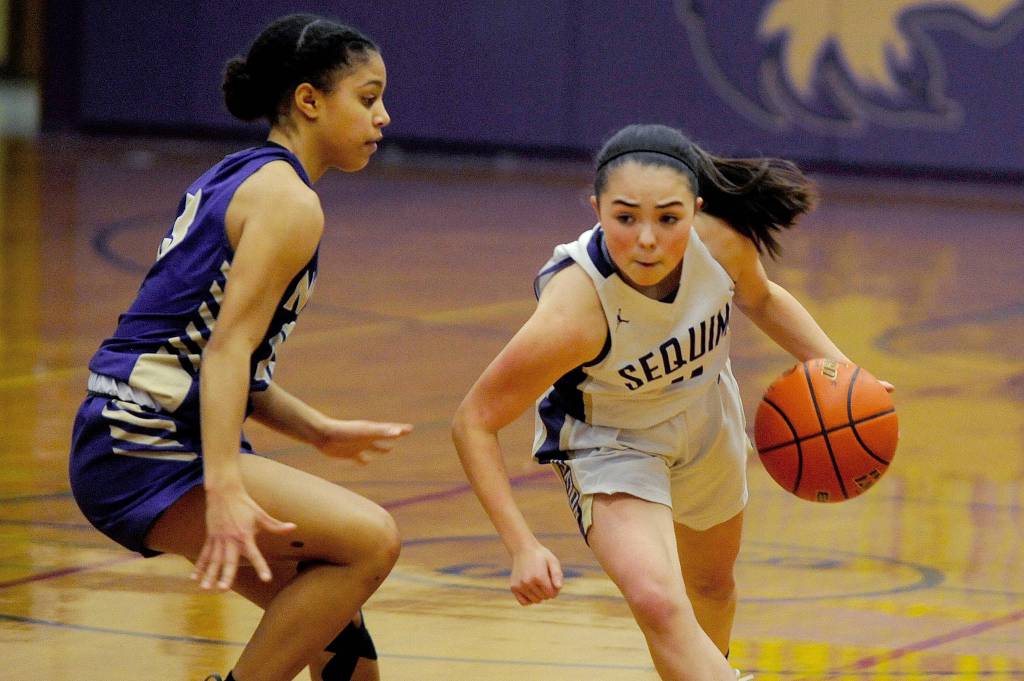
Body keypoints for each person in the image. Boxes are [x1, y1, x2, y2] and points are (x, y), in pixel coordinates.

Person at [452, 123, 894, 681]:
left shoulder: (720, 242)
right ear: (596, 208)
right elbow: (473, 421)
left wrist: (842, 372)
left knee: (711, 586)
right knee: (659, 602)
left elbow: (762, 298)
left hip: (704, 416)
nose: (647, 239)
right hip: (612, 444)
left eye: (668, 218)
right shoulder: (576, 309)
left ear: (695, 208)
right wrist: (521, 544)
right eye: (625, 217)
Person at [68, 14, 411, 681]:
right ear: (310, 100)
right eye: (367, 98)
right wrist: (224, 486)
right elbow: (225, 350)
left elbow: (212, 351)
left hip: (136, 426)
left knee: (341, 641)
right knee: (373, 541)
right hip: (145, 437)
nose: (384, 117)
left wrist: (316, 429)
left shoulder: (244, 173)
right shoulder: (289, 201)